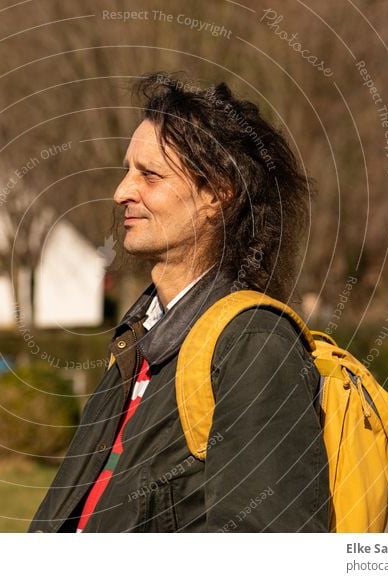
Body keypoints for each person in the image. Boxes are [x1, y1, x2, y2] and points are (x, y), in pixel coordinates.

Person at [29, 72, 329, 533]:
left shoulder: (254, 345)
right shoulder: (138, 338)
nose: (121, 191)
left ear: (216, 194)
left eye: (149, 175)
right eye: (127, 170)